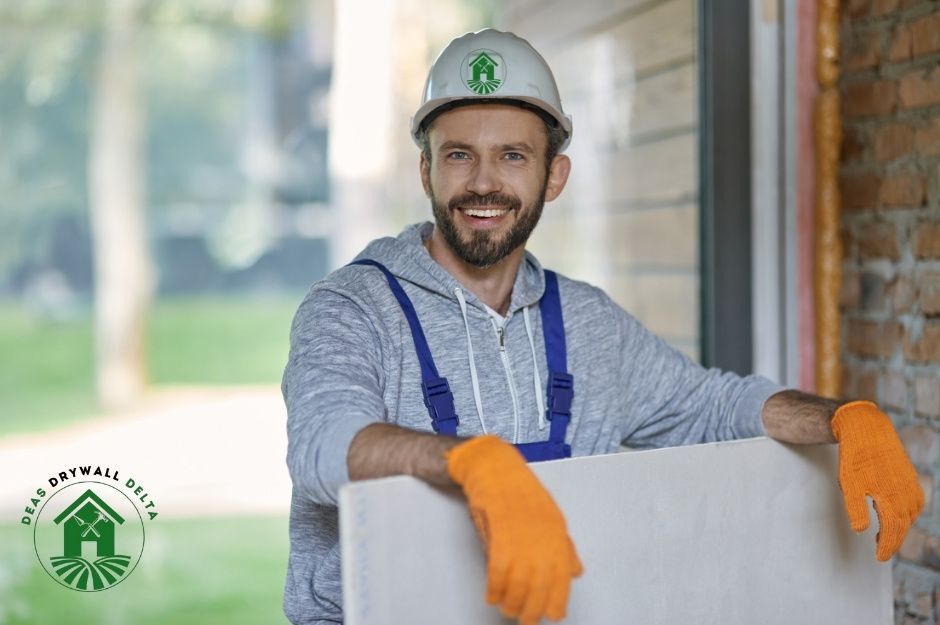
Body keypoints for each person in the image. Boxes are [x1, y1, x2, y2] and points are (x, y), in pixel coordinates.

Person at [281, 28, 923, 625]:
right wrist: (467, 463)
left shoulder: (586, 323)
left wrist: (839, 418)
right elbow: (322, 445)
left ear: (552, 176)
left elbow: (712, 406)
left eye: (512, 155)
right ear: (425, 171)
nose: (483, 183)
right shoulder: (352, 307)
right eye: (457, 155)